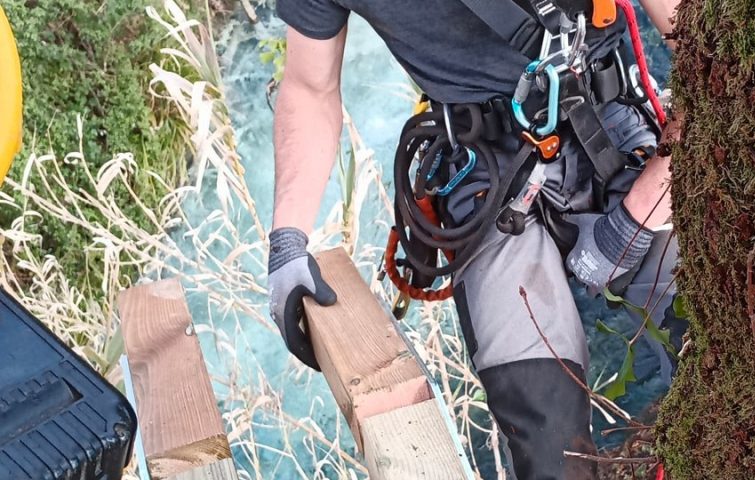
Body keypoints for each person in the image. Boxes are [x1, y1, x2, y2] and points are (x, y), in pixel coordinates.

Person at [267, 1, 684, 478]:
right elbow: (309, 87)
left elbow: (709, 52)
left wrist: (642, 210)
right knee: (546, 443)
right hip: (485, 180)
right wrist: (286, 242)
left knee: (723, 341)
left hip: (621, 142)